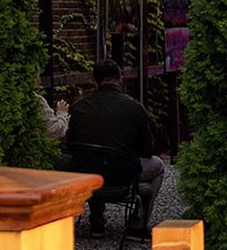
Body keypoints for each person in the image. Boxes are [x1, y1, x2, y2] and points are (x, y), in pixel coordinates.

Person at [66, 58, 166, 212]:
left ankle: (96, 221)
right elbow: (147, 149)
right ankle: (138, 223)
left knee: (87, 157)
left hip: (85, 172)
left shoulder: (80, 107)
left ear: (95, 81)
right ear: (120, 80)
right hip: (122, 174)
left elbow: (71, 143)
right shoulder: (134, 107)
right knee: (158, 165)